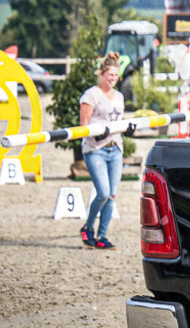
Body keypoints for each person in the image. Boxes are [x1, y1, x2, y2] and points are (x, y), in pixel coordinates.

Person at [79, 51, 125, 249]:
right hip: (95, 148)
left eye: (115, 76)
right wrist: (95, 134)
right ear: (102, 74)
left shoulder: (120, 96)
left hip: (116, 149)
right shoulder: (91, 95)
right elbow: (84, 124)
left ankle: (102, 236)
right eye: (110, 76)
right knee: (103, 193)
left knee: (112, 195)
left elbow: (119, 121)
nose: (113, 79)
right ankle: (88, 227)